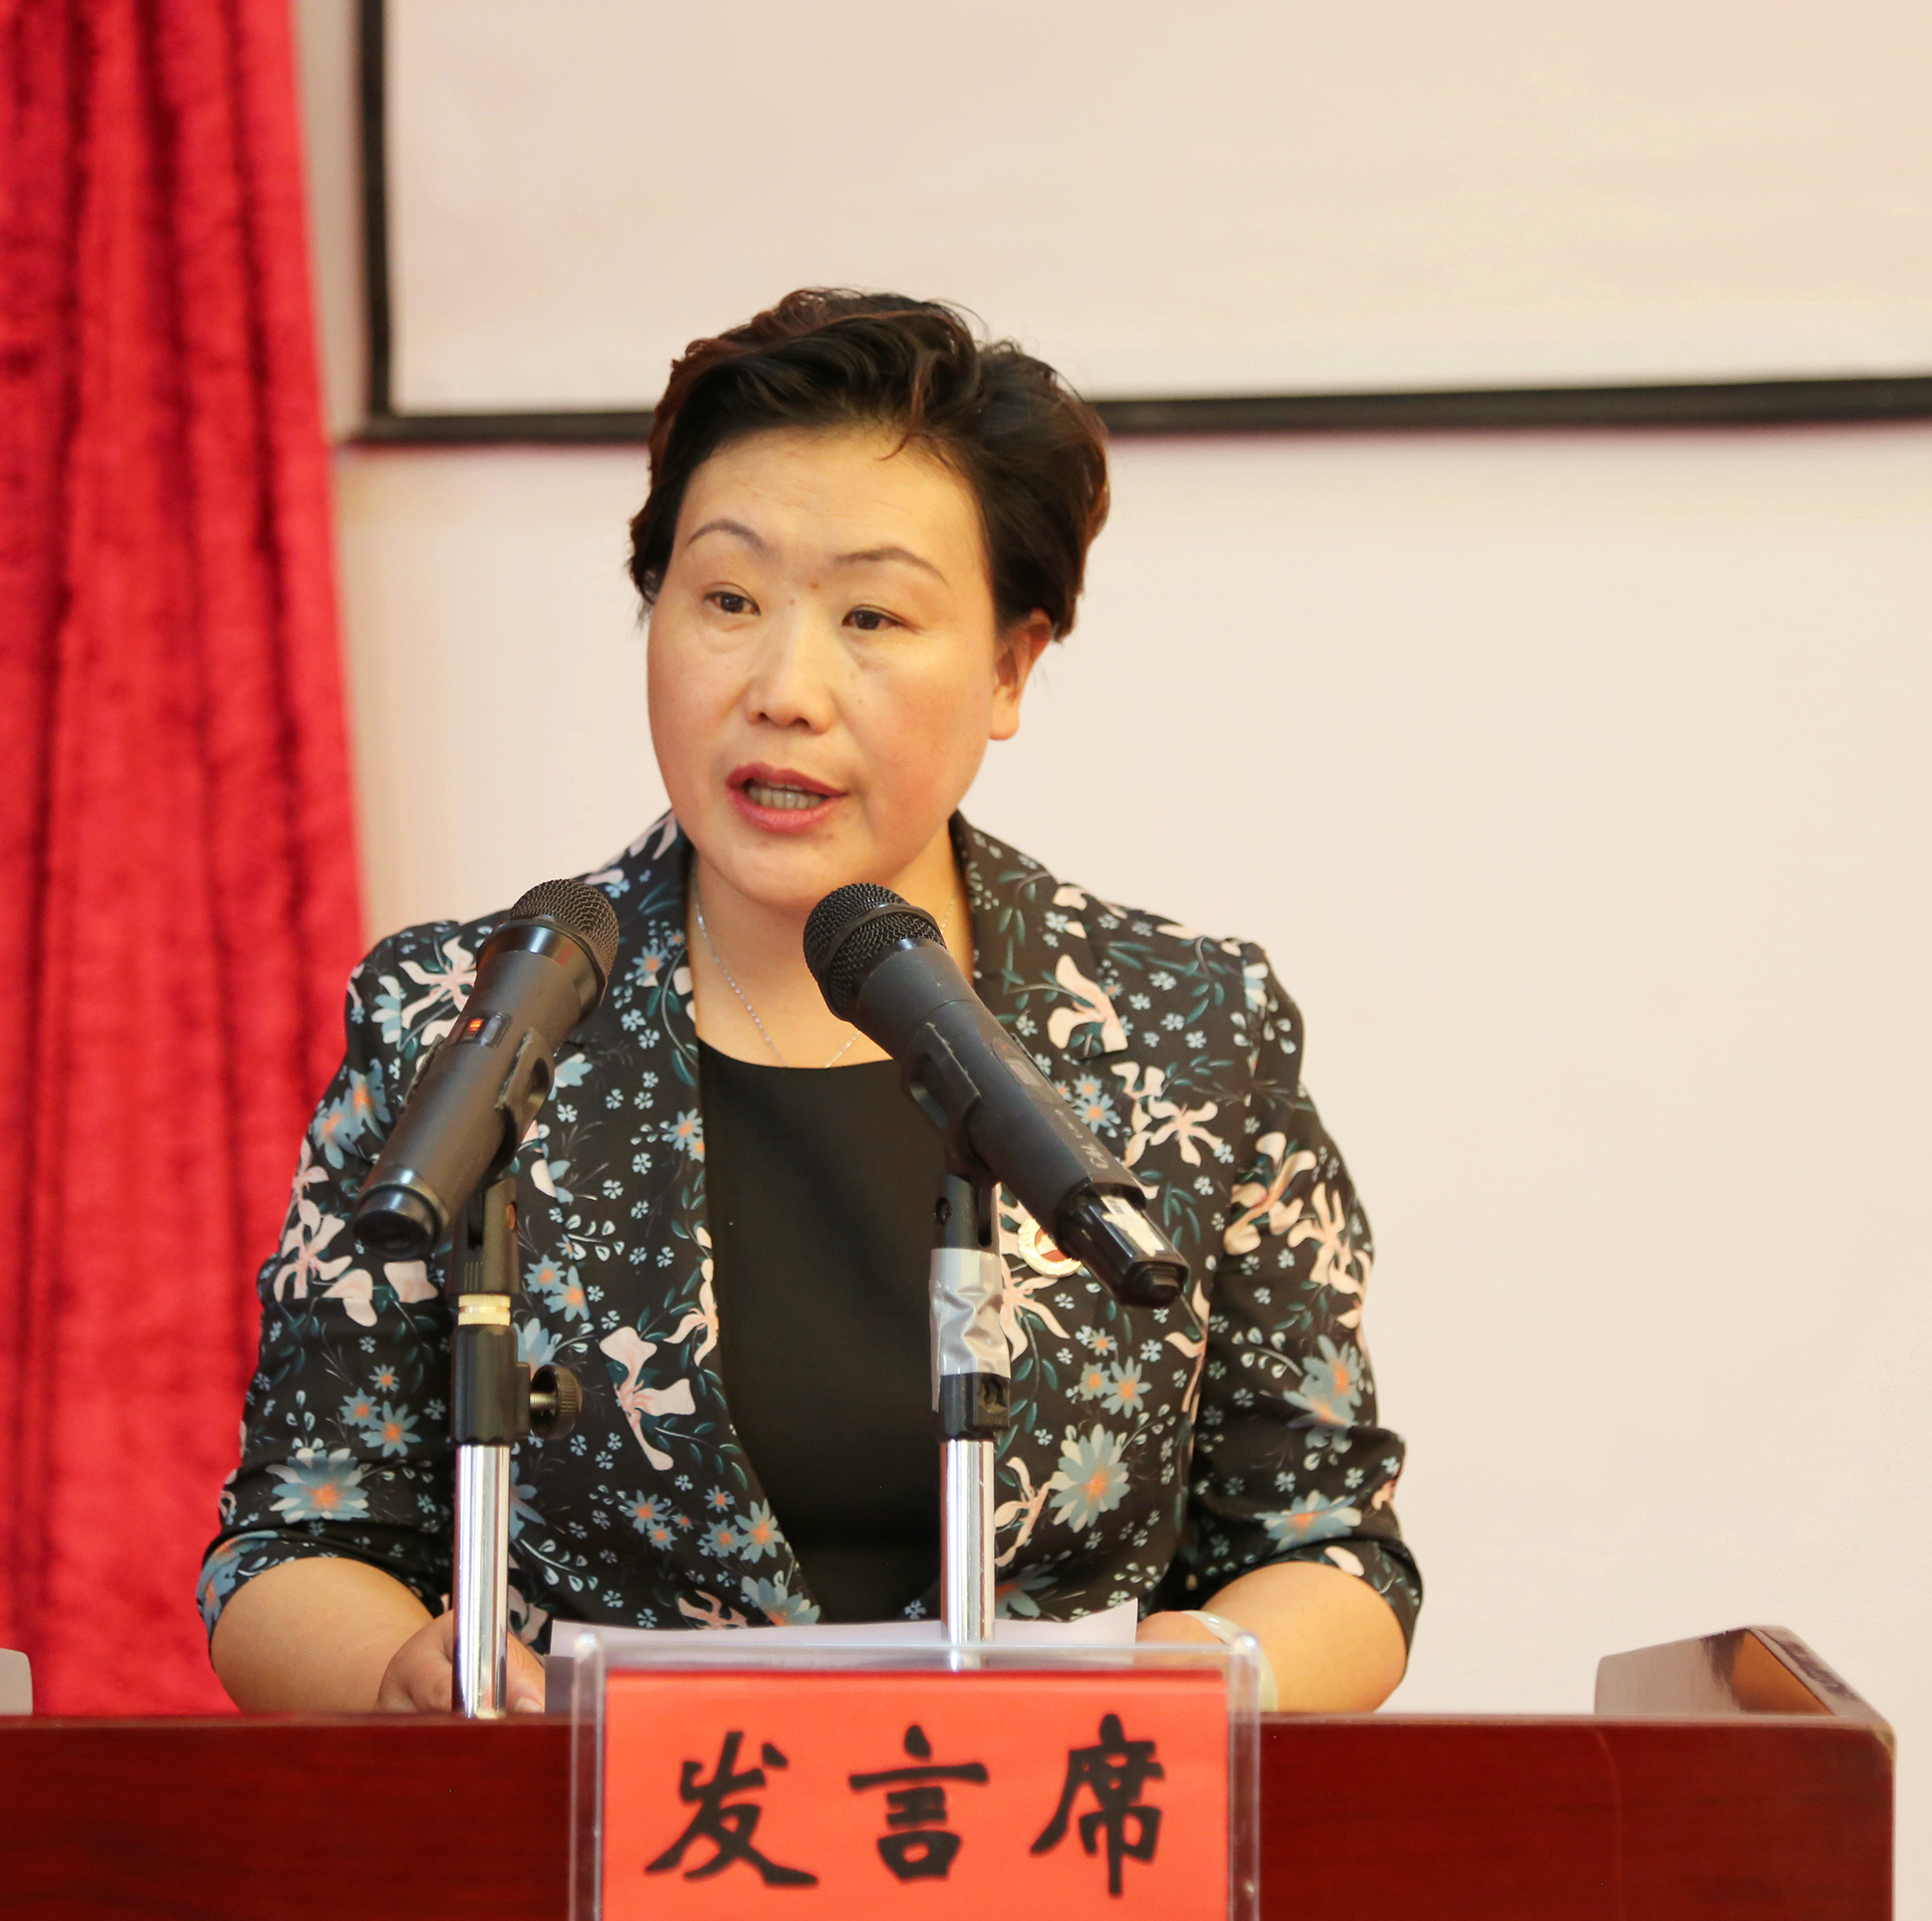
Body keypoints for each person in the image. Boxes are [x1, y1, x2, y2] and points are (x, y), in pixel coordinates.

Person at [201, 290, 1417, 1714]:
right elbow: (297, 1536)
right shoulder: (461, 1016)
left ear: (1010, 665)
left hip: (1047, 1839)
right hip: (587, 1841)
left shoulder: (1188, 1029)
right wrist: (398, 1680)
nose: (786, 688)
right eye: (728, 600)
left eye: (872, 616)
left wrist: (1193, 1684)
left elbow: (1327, 1544)